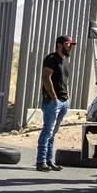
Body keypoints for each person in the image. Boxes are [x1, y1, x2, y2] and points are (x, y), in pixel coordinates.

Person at [36, 35, 75, 172]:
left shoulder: (66, 60)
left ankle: (49, 161)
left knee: (53, 132)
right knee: (47, 131)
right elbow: (46, 78)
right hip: (53, 102)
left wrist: (67, 97)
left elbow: (64, 81)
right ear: (60, 45)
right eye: (68, 44)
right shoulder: (51, 59)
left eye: (71, 45)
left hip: (64, 102)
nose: (70, 47)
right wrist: (53, 97)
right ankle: (40, 162)